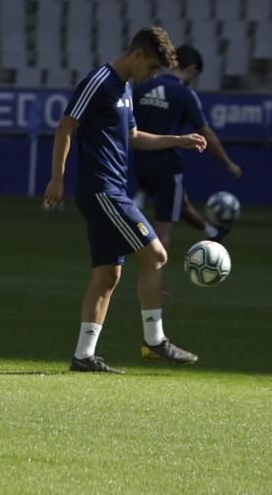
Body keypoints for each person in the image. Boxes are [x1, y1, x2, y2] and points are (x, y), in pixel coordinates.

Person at [44, 26, 208, 374]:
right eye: (150, 67)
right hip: (103, 190)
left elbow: (132, 136)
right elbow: (66, 126)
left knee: (108, 276)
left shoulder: (125, 88)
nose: (151, 75)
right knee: (156, 255)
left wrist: (177, 140)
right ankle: (155, 340)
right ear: (136, 55)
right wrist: (57, 178)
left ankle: (84, 356)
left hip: (111, 189)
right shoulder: (99, 81)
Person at [132, 44, 242, 256]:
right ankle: (156, 285)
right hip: (166, 164)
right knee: (164, 226)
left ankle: (212, 231)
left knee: (179, 203)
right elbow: (207, 134)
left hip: (140, 162)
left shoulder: (143, 87)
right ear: (191, 69)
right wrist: (228, 164)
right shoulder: (184, 94)